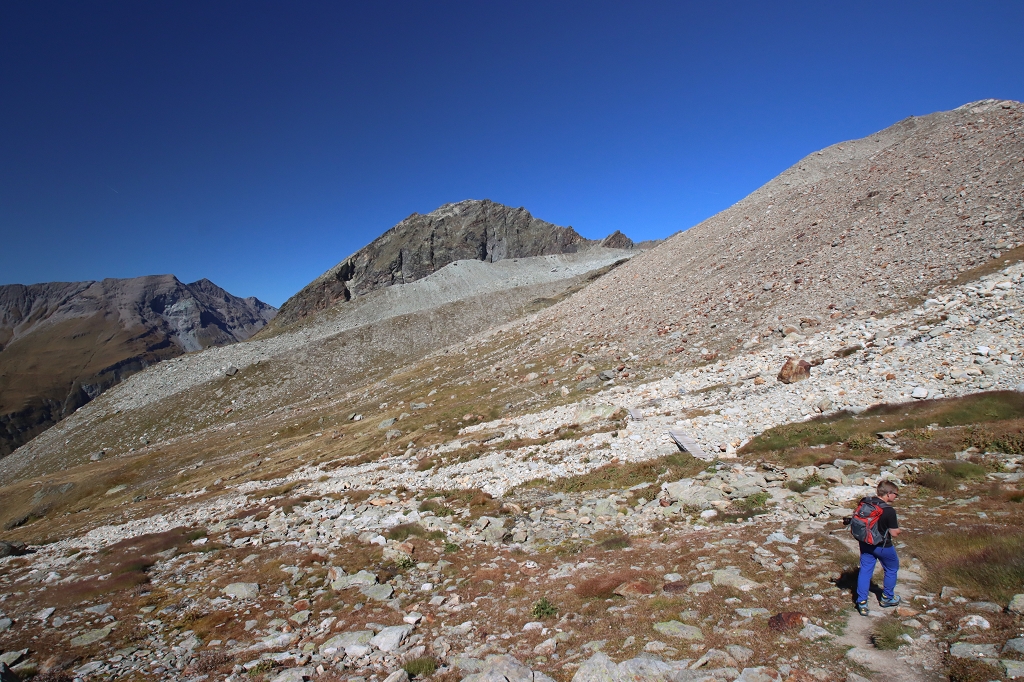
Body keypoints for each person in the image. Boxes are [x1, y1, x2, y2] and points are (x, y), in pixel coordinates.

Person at [855, 480, 902, 616]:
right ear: (888, 494)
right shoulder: (889, 511)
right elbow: (894, 532)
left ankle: (862, 602)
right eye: (895, 495)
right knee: (892, 568)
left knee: (865, 571)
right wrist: (899, 531)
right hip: (882, 546)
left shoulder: (865, 502)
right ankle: (887, 598)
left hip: (865, 542)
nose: (895, 497)